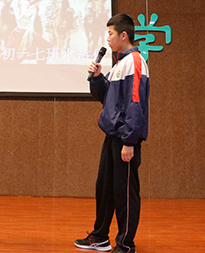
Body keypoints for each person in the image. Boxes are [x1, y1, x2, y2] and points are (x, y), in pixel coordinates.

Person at [74, 14, 150, 253]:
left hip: (125, 139)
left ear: (123, 35)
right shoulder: (119, 64)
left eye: (110, 33)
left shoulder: (135, 62)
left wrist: (129, 140)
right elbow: (108, 99)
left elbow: (135, 103)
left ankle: (125, 244)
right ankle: (99, 237)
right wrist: (97, 79)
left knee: (124, 192)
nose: (107, 38)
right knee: (105, 188)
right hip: (113, 137)